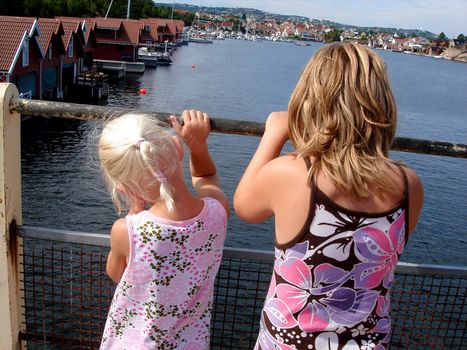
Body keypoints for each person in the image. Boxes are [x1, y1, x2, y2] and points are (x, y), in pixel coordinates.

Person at [234, 42, 424, 350]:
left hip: (290, 343)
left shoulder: (293, 174)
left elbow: (245, 207)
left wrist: (274, 133)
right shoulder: (409, 184)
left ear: (311, 99)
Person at [98, 110, 229, 350]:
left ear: (123, 186)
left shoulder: (127, 230)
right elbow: (207, 176)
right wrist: (197, 145)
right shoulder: (218, 212)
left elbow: (117, 274)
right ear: (177, 148)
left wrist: (134, 210)